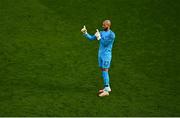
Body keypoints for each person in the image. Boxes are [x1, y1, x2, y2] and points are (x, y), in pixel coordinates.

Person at [81, 20, 115, 97]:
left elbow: (105, 43)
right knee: (103, 70)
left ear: (108, 25)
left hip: (106, 55)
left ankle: (107, 90)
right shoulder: (101, 32)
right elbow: (91, 38)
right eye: (102, 25)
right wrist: (85, 33)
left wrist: (99, 37)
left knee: (105, 70)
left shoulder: (112, 35)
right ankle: (106, 87)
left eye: (104, 25)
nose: (102, 26)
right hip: (100, 55)